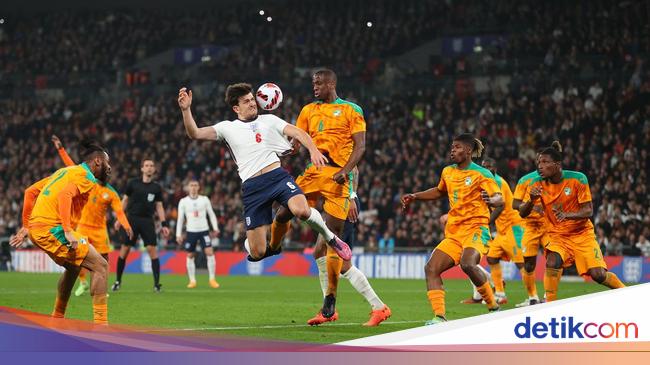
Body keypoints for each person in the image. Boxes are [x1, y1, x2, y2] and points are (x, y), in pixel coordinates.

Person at [177, 83, 351, 279]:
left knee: (301, 210)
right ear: (236, 108)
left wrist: (313, 150)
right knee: (258, 252)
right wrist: (186, 110)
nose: (252, 103)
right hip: (252, 188)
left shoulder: (269, 119)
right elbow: (195, 133)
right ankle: (251, 242)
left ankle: (332, 239)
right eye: (246, 101)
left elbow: (299, 133)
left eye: (252, 99)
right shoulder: (226, 128)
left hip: (277, 177)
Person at [268, 69, 388, 324]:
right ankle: (273, 246)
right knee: (284, 211)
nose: (315, 87)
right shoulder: (308, 110)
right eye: (313, 83)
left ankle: (332, 306)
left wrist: (347, 179)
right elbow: (296, 144)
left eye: (320, 83)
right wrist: (279, 148)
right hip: (313, 173)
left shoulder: (351, 110)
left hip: (338, 178)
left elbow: (360, 147)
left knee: (329, 245)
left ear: (332, 83)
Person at [401, 134, 503, 325]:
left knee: (467, 264)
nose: (452, 150)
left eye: (457, 147)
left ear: (468, 151)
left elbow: (499, 198)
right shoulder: (447, 171)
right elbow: (440, 191)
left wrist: (493, 200)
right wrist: (415, 196)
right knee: (431, 268)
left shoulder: (482, 174)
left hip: (476, 229)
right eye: (452, 147)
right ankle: (439, 316)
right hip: (454, 232)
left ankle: (493, 305)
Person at [10, 141, 111, 324]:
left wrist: (26, 226)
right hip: (52, 228)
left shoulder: (64, 172)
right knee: (101, 266)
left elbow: (30, 192)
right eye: (107, 162)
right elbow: (66, 195)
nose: (109, 168)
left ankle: (57, 317)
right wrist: (67, 231)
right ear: (97, 161)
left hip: (39, 228)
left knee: (73, 268)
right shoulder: (85, 177)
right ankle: (101, 326)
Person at [519, 141, 625, 302]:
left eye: (545, 162)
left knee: (598, 274)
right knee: (552, 261)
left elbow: (588, 210)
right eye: (539, 162)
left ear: (557, 164)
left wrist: (566, 215)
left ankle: (627, 293)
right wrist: (531, 201)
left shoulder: (578, 179)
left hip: (582, 234)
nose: (540, 166)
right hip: (557, 236)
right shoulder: (536, 184)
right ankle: (549, 306)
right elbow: (522, 213)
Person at [50, 135, 134, 297]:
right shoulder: (88, 180)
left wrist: (127, 225)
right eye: (106, 165)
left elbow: (119, 212)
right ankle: (83, 282)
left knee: (103, 260)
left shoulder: (111, 192)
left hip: (100, 230)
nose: (108, 169)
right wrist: (61, 149)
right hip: (83, 227)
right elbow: (70, 165)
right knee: (78, 258)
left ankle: (102, 287)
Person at [309, 167, 391, 326]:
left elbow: (355, 170)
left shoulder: (341, 145)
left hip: (344, 202)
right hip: (334, 202)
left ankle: (378, 307)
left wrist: (351, 196)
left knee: (339, 263)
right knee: (324, 255)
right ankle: (329, 309)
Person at [112, 159, 170, 293]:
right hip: (131, 220)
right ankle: (117, 281)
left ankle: (157, 285)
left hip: (147, 221)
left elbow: (159, 207)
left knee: (152, 251)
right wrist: (118, 219)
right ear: (142, 169)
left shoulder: (156, 188)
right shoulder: (133, 183)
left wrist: (164, 224)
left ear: (154, 169)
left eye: (151, 166)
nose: (149, 168)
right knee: (125, 250)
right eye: (147, 166)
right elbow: (125, 200)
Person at [478, 157, 526, 305]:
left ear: (495, 168)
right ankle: (500, 293)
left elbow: (501, 207)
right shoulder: (487, 183)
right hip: (502, 229)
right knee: (492, 257)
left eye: (489, 166)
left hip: (513, 226)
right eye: (483, 167)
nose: (486, 169)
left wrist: (486, 223)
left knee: (521, 263)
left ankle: (533, 297)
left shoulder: (497, 182)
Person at [512, 155, 546, 307]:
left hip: (549, 227)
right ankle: (533, 298)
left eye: (544, 161)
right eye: (539, 160)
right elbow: (514, 204)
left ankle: (548, 297)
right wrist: (531, 205)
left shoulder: (557, 180)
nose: (541, 163)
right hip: (530, 227)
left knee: (554, 261)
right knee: (529, 265)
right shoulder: (525, 180)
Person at [176, 180, 220, 289]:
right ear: (188, 187)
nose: (193, 187)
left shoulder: (204, 200)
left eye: (195, 185)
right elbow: (180, 219)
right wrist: (178, 234)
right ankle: (192, 281)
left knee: (209, 252)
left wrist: (215, 228)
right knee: (190, 255)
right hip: (191, 231)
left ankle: (212, 279)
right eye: (191, 185)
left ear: (199, 187)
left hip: (204, 230)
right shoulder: (183, 201)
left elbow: (211, 214)